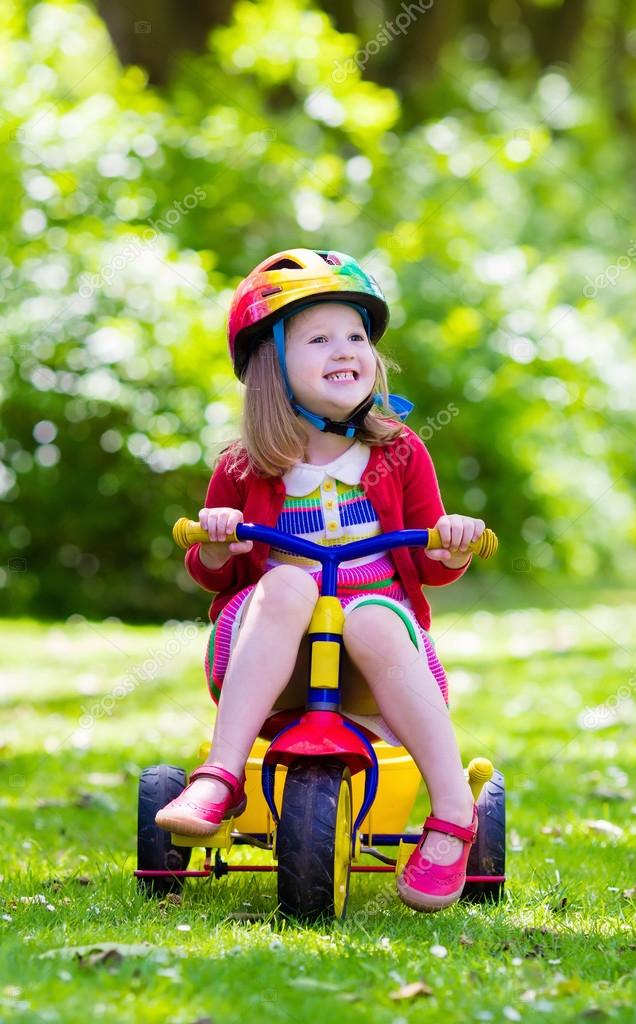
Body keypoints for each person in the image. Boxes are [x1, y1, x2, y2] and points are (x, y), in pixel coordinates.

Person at [155, 248, 486, 912]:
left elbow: (425, 560)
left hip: (377, 658)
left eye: (357, 335)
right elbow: (210, 570)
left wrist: (452, 546)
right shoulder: (246, 467)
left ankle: (452, 810)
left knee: (365, 613)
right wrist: (217, 542)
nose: (347, 349)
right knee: (289, 584)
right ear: (269, 365)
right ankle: (222, 772)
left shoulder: (398, 452)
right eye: (319, 337)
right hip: (273, 655)